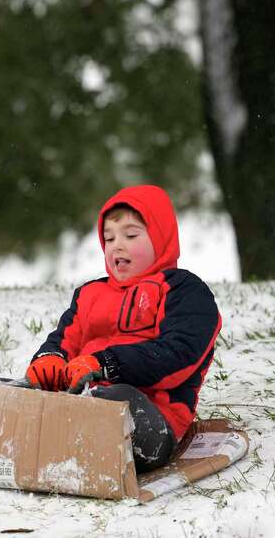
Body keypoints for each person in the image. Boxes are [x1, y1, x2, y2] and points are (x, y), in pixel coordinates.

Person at [24, 184, 222, 472]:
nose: (117, 244)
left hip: (151, 416)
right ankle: (30, 423)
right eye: (109, 238)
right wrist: (49, 360)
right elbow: (64, 339)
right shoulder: (89, 294)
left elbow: (179, 354)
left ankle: (63, 432)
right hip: (75, 400)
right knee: (22, 391)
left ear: (160, 237)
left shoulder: (184, 290)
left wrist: (107, 365)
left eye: (131, 235)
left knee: (115, 403)